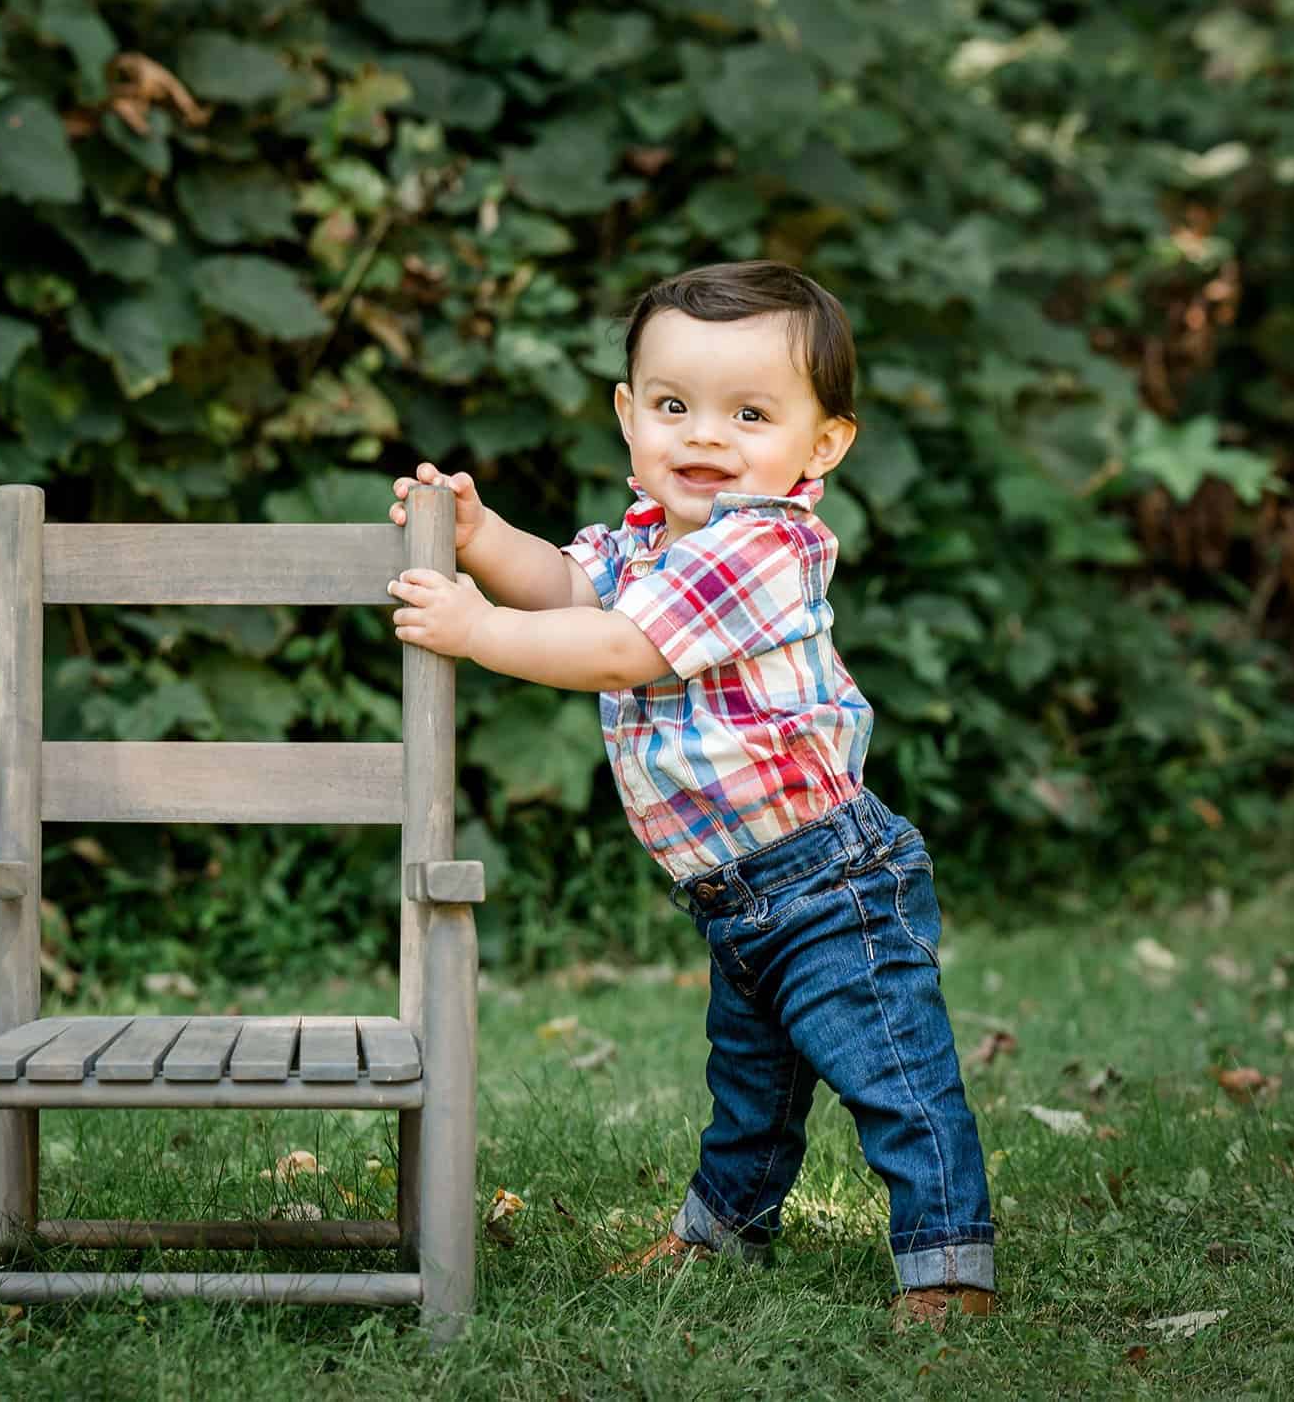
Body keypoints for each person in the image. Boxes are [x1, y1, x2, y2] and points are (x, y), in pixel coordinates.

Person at [385, 260, 995, 1327]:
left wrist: (479, 632)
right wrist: (483, 542)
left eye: (749, 413)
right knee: (748, 1088)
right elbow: (575, 587)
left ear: (823, 444)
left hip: (827, 876)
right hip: (735, 889)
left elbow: (621, 647)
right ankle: (718, 1233)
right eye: (673, 406)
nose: (704, 437)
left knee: (888, 1070)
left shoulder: (761, 544)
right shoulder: (649, 541)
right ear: (627, 416)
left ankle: (946, 1268)